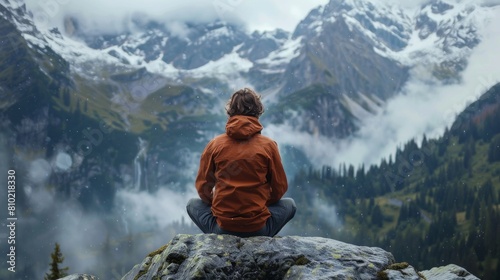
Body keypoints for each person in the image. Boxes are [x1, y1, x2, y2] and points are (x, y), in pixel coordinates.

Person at [186, 88, 296, 237]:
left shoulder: (215, 145)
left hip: (223, 228)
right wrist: (258, 206)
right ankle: (260, 236)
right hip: (258, 228)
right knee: (290, 204)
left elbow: (203, 188)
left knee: (192, 204)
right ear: (258, 111)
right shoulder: (269, 146)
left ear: (230, 112)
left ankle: (219, 235)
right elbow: (280, 188)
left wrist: (223, 207)